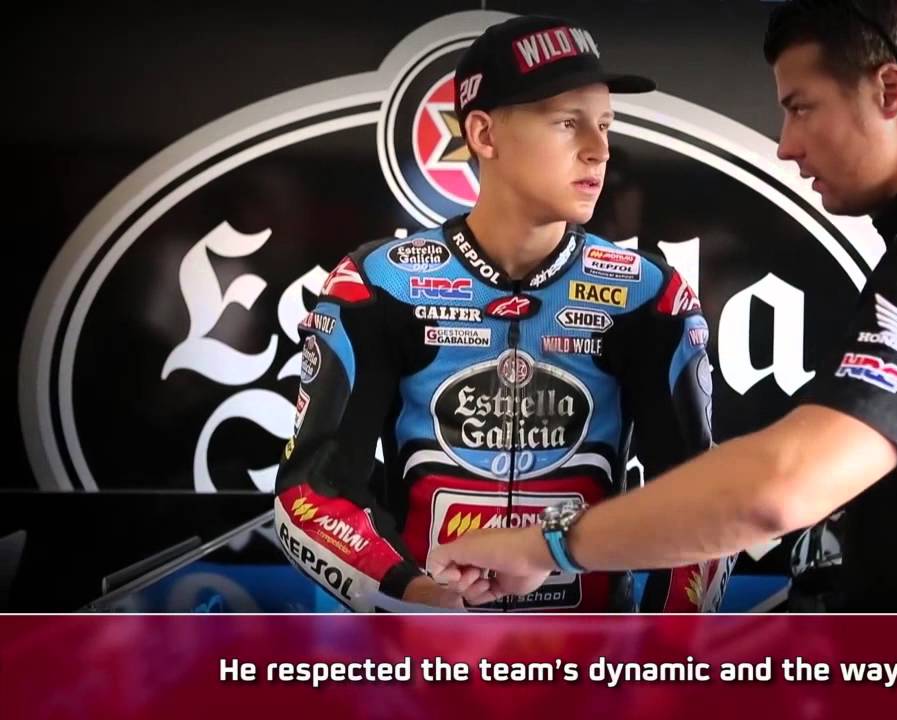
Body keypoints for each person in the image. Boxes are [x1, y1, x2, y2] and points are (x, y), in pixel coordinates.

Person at [428, 0, 897, 613]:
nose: (785, 145)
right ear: (482, 135)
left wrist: (549, 548)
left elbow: (780, 487)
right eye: (567, 123)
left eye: (801, 107)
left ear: (889, 91)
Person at [273, 14, 731, 613]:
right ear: (484, 135)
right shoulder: (380, 285)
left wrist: (665, 653)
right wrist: (412, 596)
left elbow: (703, 503)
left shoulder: (649, 296)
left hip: (593, 656)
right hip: (422, 651)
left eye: (605, 125)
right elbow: (312, 495)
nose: (599, 150)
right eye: (568, 122)